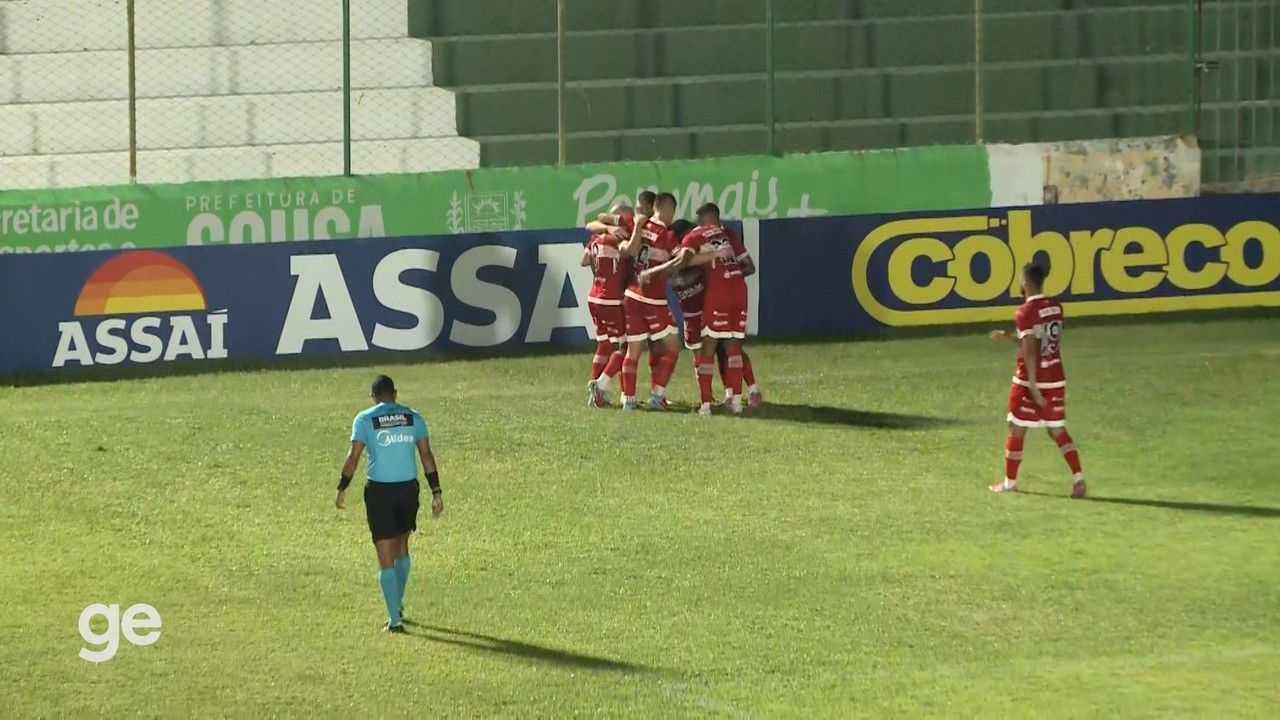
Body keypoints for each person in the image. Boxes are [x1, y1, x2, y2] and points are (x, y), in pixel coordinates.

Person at [336, 375, 444, 633]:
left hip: (380, 493)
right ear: (395, 393)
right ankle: (398, 603)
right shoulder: (413, 417)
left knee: (385, 555)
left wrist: (342, 486)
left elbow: (353, 456)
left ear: (373, 397)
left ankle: (394, 620)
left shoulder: (364, 419)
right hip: (408, 489)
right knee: (402, 548)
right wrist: (436, 491)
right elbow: (426, 455)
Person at [643, 202, 753, 416]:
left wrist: (654, 271)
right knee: (732, 346)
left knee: (707, 350)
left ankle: (705, 405)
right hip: (737, 292)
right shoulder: (726, 234)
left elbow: (681, 261)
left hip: (711, 302)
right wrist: (729, 273)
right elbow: (749, 266)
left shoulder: (693, 237)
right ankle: (738, 400)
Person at [987, 264, 1086, 498]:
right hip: (1056, 378)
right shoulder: (1055, 306)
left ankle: (1010, 483)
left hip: (1030, 382)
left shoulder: (1025, 312)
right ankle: (1078, 479)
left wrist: (1032, 384)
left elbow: (1030, 350)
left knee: (1016, 428)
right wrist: (1011, 338)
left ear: (1025, 282)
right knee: (1057, 430)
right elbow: (1040, 343)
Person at [618, 192, 682, 411]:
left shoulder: (640, 225)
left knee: (633, 351)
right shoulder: (667, 234)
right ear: (667, 209)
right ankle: (657, 396)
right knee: (674, 346)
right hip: (652, 299)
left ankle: (629, 400)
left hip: (632, 295)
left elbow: (627, 247)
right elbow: (678, 261)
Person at [581, 205, 631, 407]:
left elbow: (584, 260)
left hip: (594, 297)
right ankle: (600, 385)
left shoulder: (595, 238)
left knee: (604, 344)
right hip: (611, 298)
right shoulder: (620, 238)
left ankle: (596, 396)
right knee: (625, 346)